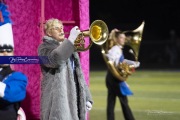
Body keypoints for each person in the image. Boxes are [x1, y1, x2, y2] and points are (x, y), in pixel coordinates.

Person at [38, 18, 93, 120]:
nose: (61, 30)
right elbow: (56, 60)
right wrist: (71, 40)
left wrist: (86, 97)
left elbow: (79, 76)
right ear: (49, 32)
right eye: (57, 28)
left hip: (74, 102)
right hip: (56, 106)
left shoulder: (69, 48)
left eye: (62, 28)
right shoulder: (43, 48)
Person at [0, 2, 28, 120]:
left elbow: (12, 94)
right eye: (1, 50)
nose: (6, 53)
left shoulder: (18, 77)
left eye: (9, 50)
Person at [105, 29, 140, 120]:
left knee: (111, 102)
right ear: (116, 39)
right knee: (124, 101)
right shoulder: (115, 49)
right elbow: (111, 62)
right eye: (121, 37)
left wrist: (132, 63)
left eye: (124, 38)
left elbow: (121, 61)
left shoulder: (118, 49)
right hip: (114, 79)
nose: (123, 39)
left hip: (111, 78)